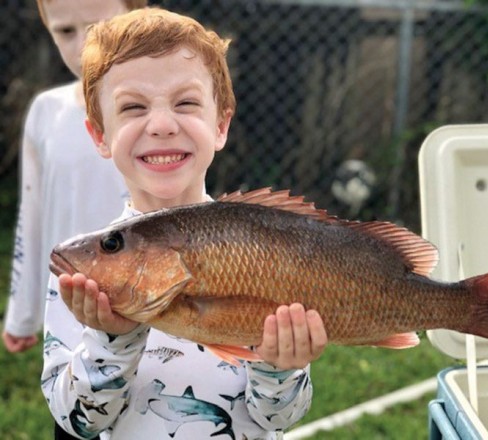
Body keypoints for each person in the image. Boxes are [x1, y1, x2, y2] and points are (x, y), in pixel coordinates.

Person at [41, 7, 328, 440]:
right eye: (133, 107)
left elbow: (279, 418)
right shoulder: (82, 277)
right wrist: (109, 339)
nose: (161, 125)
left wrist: (279, 366)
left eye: (186, 103)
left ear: (221, 124)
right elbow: (77, 423)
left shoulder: (272, 248)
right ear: (100, 134)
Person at [2, 0, 148, 353]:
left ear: (138, 16)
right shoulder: (45, 111)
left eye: (99, 27)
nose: (84, 46)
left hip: (151, 307)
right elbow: (32, 211)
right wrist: (22, 313)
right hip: (68, 310)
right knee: (76, 399)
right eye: (65, 31)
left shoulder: (164, 114)